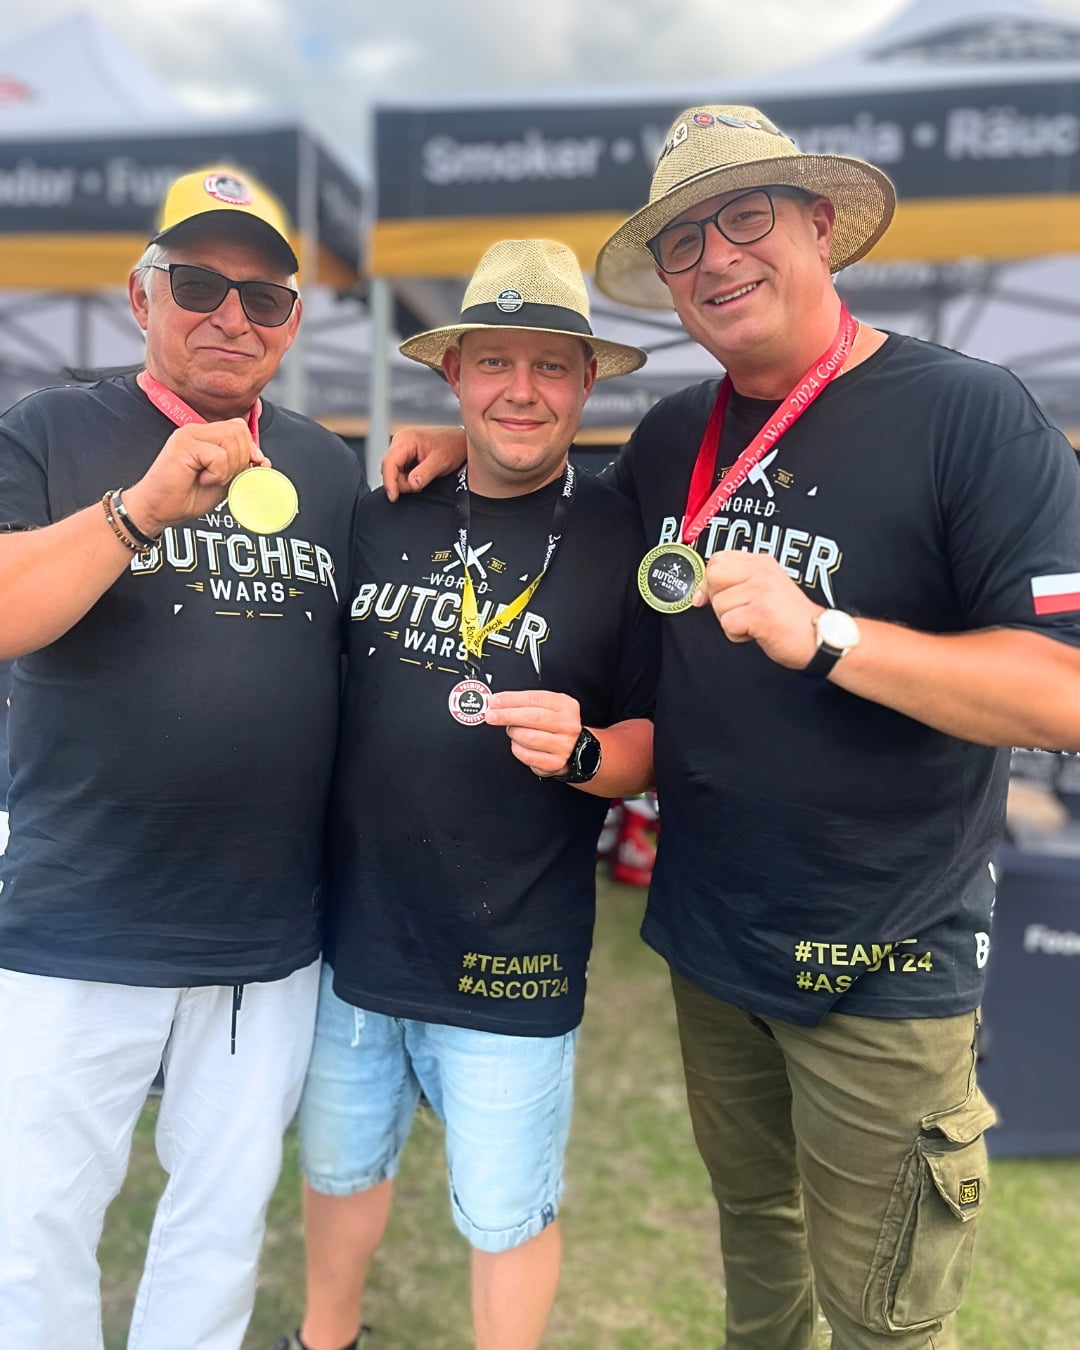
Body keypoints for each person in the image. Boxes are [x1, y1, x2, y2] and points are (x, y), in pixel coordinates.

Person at [381, 106, 1080, 1349]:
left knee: (885, 1321)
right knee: (759, 1252)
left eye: (744, 217)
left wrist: (831, 633)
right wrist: (472, 445)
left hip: (884, 959)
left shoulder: (969, 414)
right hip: (712, 944)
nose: (714, 257)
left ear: (821, 226)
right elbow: (569, 518)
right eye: (684, 241)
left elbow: (1062, 692)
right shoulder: (670, 438)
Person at [0, 165, 365, 1350]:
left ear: (293, 324)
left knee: (221, 1224)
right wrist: (137, 511)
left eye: (265, 298)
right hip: (76, 918)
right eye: (200, 285)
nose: (231, 317)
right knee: (33, 1228)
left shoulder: (327, 466)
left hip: (264, 933)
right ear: (141, 294)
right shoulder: (49, 429)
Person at [281, 239, 658, 1350]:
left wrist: (584, 752)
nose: (521, 390)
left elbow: (651, 744)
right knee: (340, 1170)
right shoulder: (383, 511)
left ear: (586, 384)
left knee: (505, 1213)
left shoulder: (623, 539)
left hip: (514, 951)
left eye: (550, 366)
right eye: (494, 362)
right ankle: (324, 1339)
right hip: (353, 941)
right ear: (454, 375)